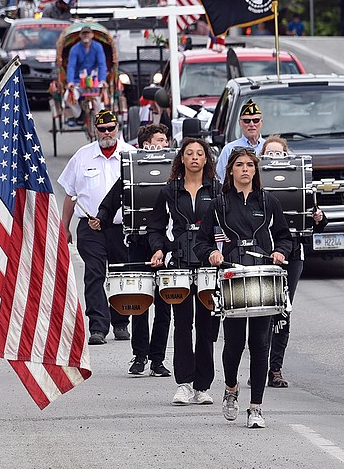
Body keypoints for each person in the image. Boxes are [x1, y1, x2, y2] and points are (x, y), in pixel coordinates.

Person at [196, 148, 293, 428]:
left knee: (260, 343)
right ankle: (230, 388)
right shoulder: (219, 204)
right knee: (235, 343)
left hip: (262, 277)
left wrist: (280, 253)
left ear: (255, 170)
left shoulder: (269, 201)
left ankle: (256, 408)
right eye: (239, 165)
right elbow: (203, 242)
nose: (245, 170)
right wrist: (211, 255)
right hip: (233, 276)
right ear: (231, 170)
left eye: (250, 165)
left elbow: (285, 237)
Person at [147, 137, 222, 406]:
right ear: (181, 159)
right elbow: (155, 227)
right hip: (178, 262)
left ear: (205, 159)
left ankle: (203, 386)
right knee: (182, 323)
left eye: (199, 154)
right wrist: (159, 249)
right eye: (188, 153)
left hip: (207, 264)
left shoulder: (217, 190)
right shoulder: (169, 191)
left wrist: (219, 252)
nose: (194, 157)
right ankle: (184, 383)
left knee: (206, 325)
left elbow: (225, 226)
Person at [97, 123, 173, 377]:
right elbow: (113, 198)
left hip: (167, 244)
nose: (162, 145)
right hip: (139, 243)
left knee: (165, 304)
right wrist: (102, 217)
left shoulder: (176, 170)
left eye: (164, 140)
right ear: (144, 146)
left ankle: (158, 359)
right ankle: (139, 356)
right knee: (140, 302)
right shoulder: (132, 171)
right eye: (157, 141)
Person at [58, 110, 136, 346]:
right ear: (95, 130)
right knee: (94, 274)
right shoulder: (82, 157)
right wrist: (65, 227)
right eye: (102, 129)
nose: (106, 133)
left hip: (122, 227)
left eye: (110, 128)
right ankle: (97, 327)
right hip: (90, 227)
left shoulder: (130, 155)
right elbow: (70, 195)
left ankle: (121, 322)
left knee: (121, 273)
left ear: (118, 129)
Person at [260, 136, 327, 388]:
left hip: (293, 254)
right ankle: (259, 363)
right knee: (264, 311)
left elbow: (317, 224)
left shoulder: (299, 182)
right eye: (270, 155)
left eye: (280, 154)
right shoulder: (255, 184)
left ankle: (275, 368)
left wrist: (318, 217)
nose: (276, 159)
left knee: (283, 310)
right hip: (264, 253)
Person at [65, 26, 108, 127]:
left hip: (94, 81)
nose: (86, 36)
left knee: (99, 101)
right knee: (68, 97)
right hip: (78, 81)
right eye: (84, 34)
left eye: (88, 33)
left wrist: (103, 80)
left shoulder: (97, 47)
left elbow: (102, 64)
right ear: (80, 35)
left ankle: (100, 121)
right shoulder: (75, 49)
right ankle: (79, 114)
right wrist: (70, 81)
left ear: (92, 35)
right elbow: (71, 66)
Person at [215, 100, 266, 179]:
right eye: (246, 121)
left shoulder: (270, 148)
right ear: (239, 123)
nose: (252, 124)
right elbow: (220, 179)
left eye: (256, 120)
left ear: (261, 122)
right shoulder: (229, 149)